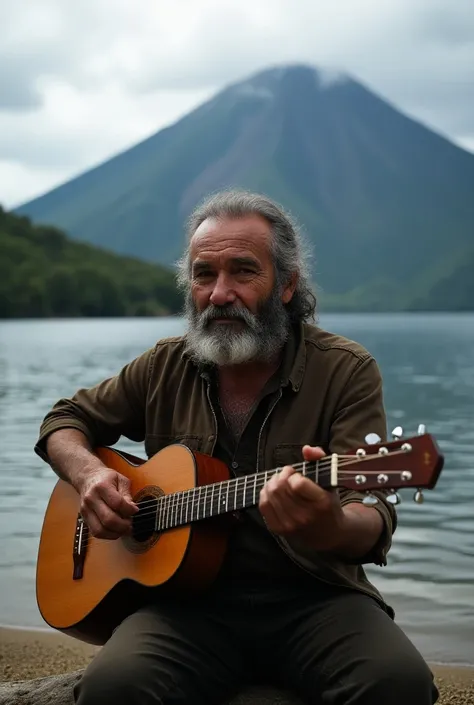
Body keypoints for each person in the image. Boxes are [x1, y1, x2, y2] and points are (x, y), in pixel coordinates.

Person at [35, 190, 438, 705]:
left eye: (242, 272)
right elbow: (64, 421)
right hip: (184, 607)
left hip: (315, 600)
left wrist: (330, 525)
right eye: (204, 275)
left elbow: (373, 514)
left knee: (398, 684)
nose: (220, 293)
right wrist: (89, 476)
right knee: (113, 688)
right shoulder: (165, 365)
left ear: (287, 285)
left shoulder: (344, 370)